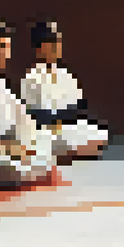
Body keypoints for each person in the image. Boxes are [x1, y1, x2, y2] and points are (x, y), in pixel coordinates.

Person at [0, 19, 59, 187]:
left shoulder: (0, 85)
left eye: (8, 47)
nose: (7, 54)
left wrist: (31, 144)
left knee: (46, 143)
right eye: (3, 47)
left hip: (11, 150)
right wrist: (10, 149)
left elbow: (25, 123)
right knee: (19, 167)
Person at [19, 20, 109, 162]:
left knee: (96, 133)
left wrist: (69, 123)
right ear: (39, 48)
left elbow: (78, 110)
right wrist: (55, 125)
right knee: (45, 138)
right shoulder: (31, 78)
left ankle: (72, 155)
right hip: (46, 130)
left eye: (58, 42)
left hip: (68, 128)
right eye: (52, 42)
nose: (56, 47)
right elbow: (33, 116)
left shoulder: (67, 76)